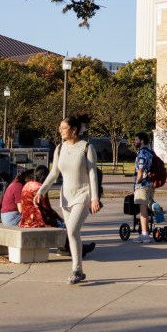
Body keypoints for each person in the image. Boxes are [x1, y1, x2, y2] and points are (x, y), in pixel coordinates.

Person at [35, 115, 102, 284]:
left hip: (83, 195)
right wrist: (41, 191)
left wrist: (94, 198)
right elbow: (54, 173)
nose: (60, 131)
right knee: (73, 234)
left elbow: (93, 174)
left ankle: (76, 269)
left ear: (74, 130)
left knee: (72, 231)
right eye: (60, 128)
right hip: (66, 197)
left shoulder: (86, 147)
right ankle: (78, 270)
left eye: (63, 128)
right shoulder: (59, 148)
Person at [131, 132, 156, 243]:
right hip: (150, 184)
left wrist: (137, 182)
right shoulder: (151, 151)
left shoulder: (142, 153)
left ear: (142, 141)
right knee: (149, 207)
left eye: (136, 139)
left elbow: (140, 170)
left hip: (142, 185)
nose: (135, 141)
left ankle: (145, 234)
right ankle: (153, 224)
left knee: (143, 210)